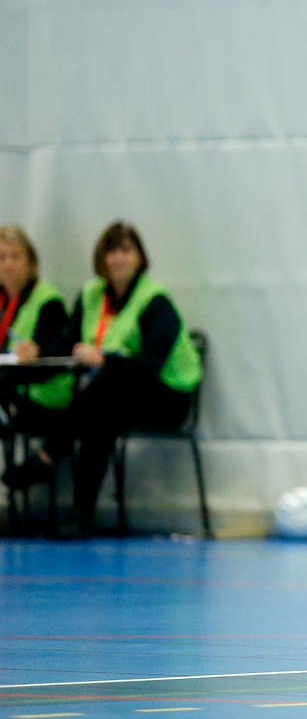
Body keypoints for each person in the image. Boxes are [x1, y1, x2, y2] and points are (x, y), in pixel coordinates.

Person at [5, 222, 202, 535]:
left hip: (168, 396)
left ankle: (48, 454)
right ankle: (81, 515)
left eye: (125, 251)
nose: (117, 259)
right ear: (101, 258)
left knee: (107, 386)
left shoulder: (155, 302)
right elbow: (68, 341)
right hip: (116, 396)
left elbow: (149, 366)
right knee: (101, 415)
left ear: (139, 258)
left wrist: (105, 359)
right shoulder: (92, 295)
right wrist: (37, 350)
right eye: (111, 251)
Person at [0, 226, 75, 495]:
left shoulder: (48, 302)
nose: (7, 264)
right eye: (2, 257)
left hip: (45, 396)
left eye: (15, 256)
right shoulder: (3, 300)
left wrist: (37, 351)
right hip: (12, 390)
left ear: (30, 262)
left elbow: (54, 358)